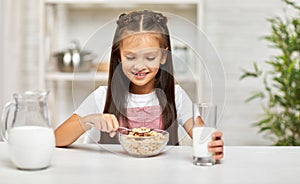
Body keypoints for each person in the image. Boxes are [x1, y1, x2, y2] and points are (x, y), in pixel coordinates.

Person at [55, 10, 224, 160]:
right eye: (130, 57)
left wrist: (212, 146)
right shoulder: (102, 96)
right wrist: (89, 120)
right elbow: (57, 138)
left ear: (163, 56)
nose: (139, 66)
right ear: (119, 56)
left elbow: (203, 136)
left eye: (150, 58)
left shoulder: (176, 95)